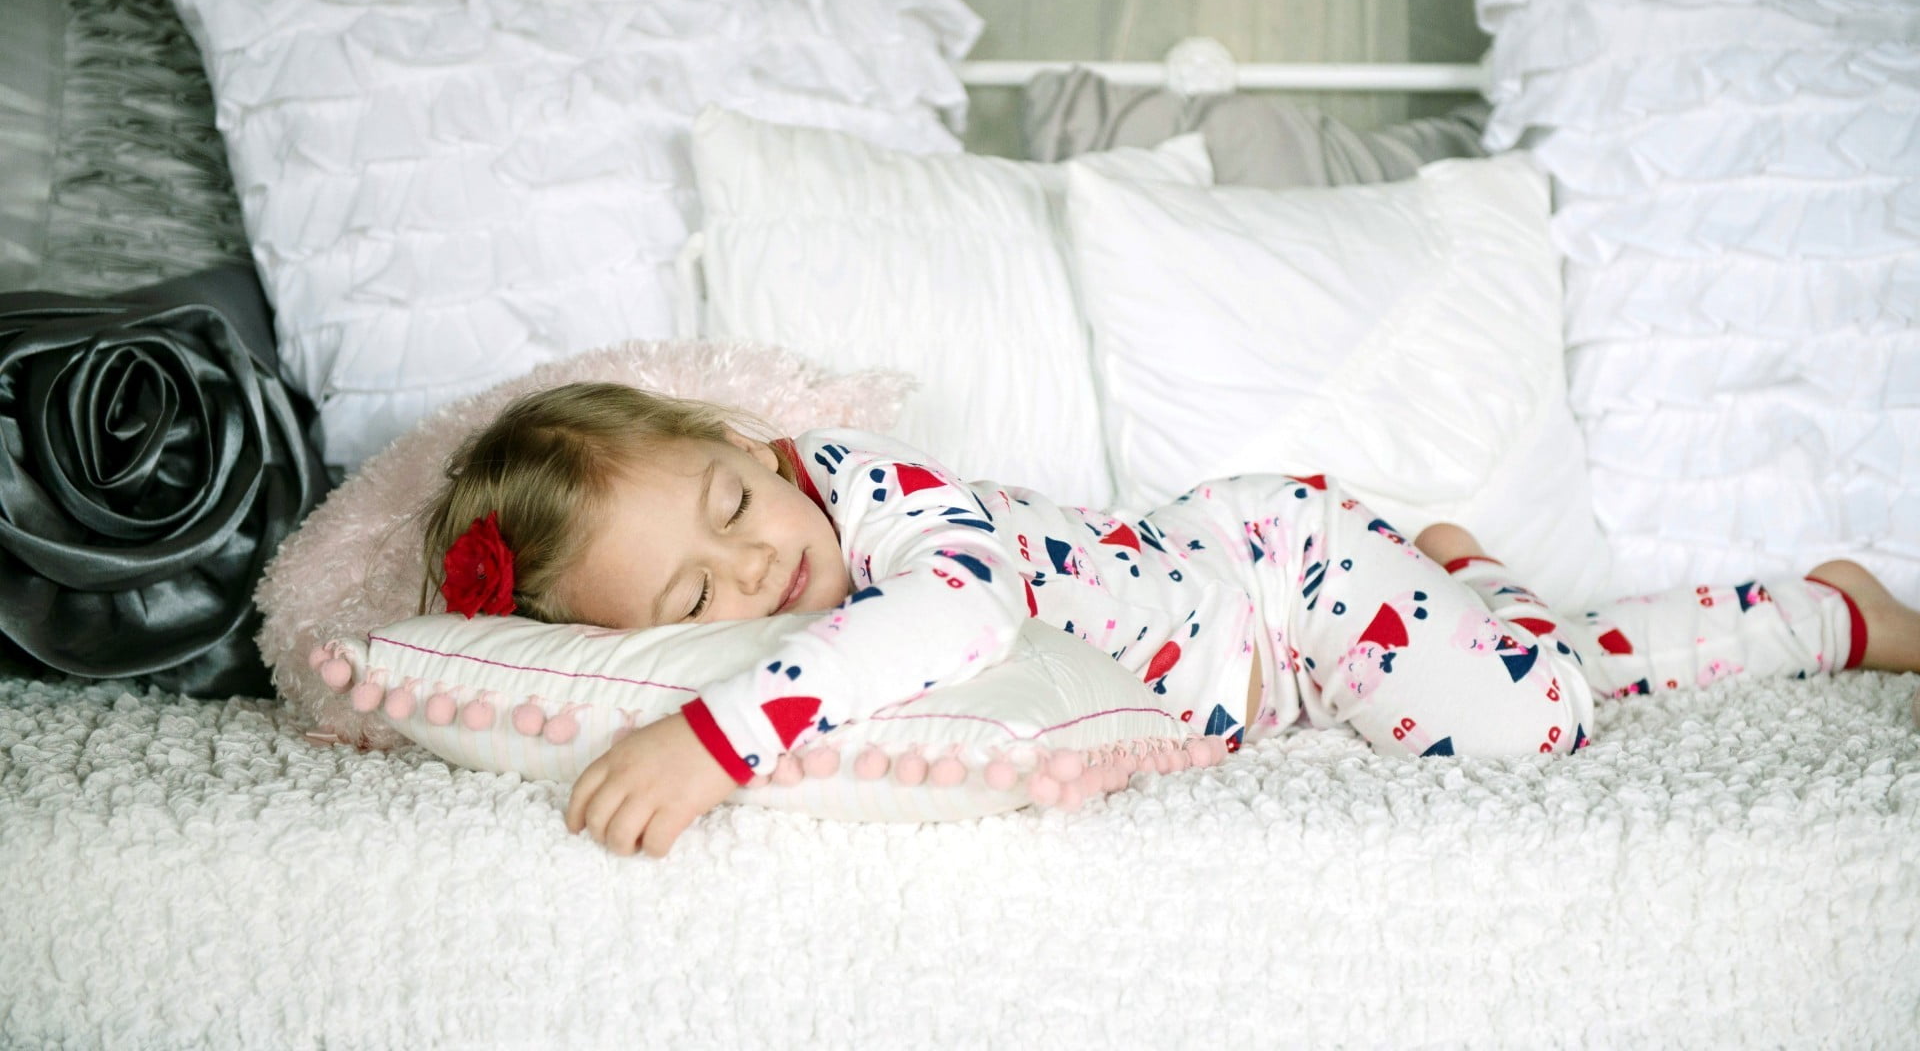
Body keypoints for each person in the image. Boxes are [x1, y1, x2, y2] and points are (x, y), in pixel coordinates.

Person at [421, 382, 1920, 858]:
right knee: (1525, 681)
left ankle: (1815, 616)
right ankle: (1498, 584)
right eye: (689, 606)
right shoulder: (785, 580)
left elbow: (942, 629)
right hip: (1257, 637)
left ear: (748, 448)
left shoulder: (891, 511)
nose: (750, 580)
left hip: (1286, 578)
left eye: (733, 512)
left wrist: (715, 733)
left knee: (1533, 722)